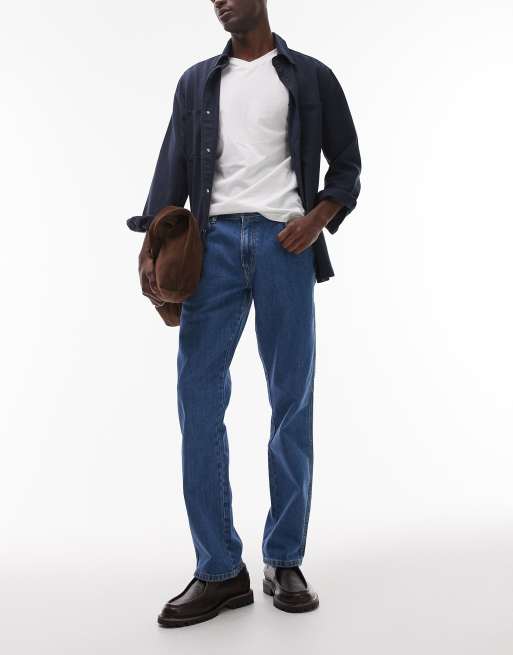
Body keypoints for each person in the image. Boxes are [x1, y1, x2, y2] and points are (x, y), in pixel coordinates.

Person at [129, 0, 361, 628]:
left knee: (291, 400)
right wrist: (152, 256)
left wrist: (316, 219)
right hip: (211, 250)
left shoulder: (310, 76)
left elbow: (347, 166)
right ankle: (218, 570)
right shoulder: (197, 82)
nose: (219, 1)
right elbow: (171, 171)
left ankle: (283, 559)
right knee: (199, 401)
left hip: (287, 246)